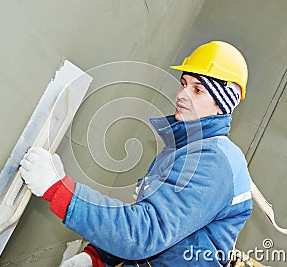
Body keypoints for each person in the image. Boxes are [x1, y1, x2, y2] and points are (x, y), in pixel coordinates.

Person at [20, 40, 253, 266]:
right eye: (183, 84)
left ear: (222, 103)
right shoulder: (186, 148)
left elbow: (147, 233)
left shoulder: (213, 161)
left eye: (198, 90)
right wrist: (99, 257)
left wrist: (60, 190)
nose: (182, 95)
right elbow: (154, 220)